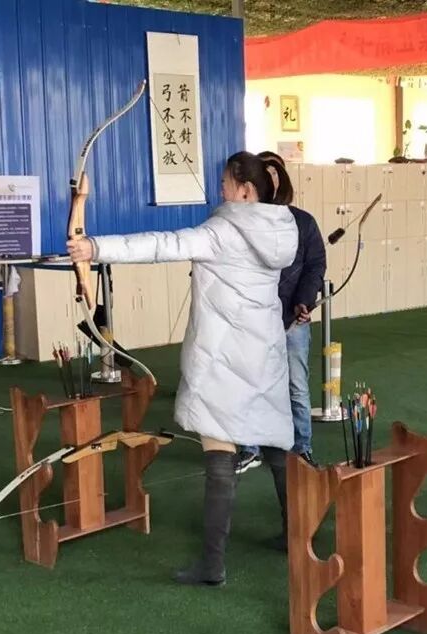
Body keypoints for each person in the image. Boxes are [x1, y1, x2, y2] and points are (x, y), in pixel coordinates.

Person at [67, 151, 298, 586]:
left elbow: (162, 244)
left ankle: (212, 565)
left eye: (226, 182)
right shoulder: (280, 229)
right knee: (273, 444)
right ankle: (296, 537)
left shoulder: (222, 232)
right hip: (263, 353)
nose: (220, 189)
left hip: (222, 358)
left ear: (245, 190)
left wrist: (94, 247)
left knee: (220, 452)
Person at [235, 150, 327, 509]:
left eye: (274, 176)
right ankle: (250, 447)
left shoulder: (302, 222)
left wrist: (304, 301)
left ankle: (301, 447)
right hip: (253, 320)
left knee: (296, 386)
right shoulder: (243, 224)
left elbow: (315, 264)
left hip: (291, 320)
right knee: (250, 383)